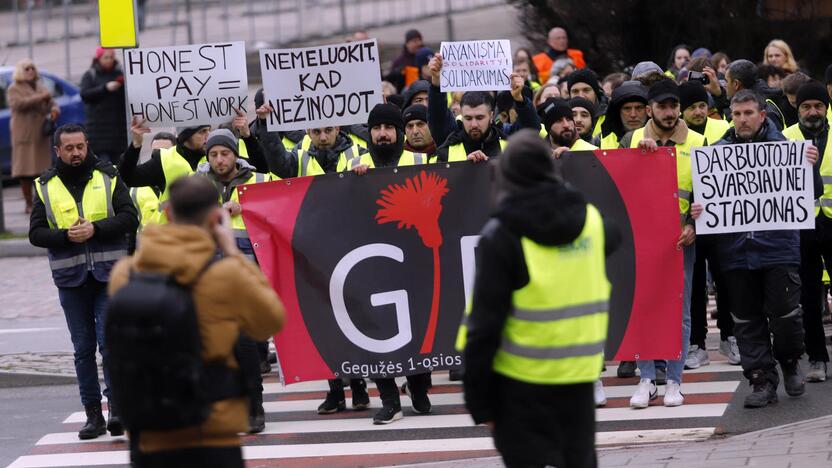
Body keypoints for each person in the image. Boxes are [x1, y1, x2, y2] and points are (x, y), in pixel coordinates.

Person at [460, 129, 619, 467]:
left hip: (520, 387)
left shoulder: (501, 235)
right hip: (578, 381)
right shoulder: (591, 222)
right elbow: (614, 235)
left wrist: (480, 404)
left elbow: (484, 327)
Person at [109, 175, 285, 467]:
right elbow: (270, 321)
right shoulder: (226, 275)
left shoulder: (125, 273)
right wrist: (232, 252)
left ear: (168, 213)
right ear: (217, 217)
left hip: (149, 430)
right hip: (211, 429)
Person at [703, 89, 820, 408]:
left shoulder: (786, 149)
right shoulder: (717, 153)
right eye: (736, 114)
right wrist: (699, 210)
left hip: (778, 249)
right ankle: (761, 379)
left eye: (748, 113)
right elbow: (707, 200)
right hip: (735, 253)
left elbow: (813, 192)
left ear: (761, 115)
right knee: (745, 319)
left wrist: (809, 167)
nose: (741, 120)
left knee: (785, 316)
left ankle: (790, 362)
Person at [29, 124, 138, 439]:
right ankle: (93, 415)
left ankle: (117, 409)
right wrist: (65, 235)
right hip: (71, 279)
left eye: (80, 146)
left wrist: (97, 229)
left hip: (109, 276)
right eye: (70, 148)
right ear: (58, 151)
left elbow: (130, 217)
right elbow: (36, 233)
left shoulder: (108, 175)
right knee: (82, 349)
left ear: (87, 145)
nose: (76, 153)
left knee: (110, 344)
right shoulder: (44, 186)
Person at [342, 104, 434, 424]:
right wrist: (352, 185)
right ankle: (390, 398)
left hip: (414, 262)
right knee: (376, 331)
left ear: (400, 132)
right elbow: (335, 207)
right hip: (372, 264)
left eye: (389, 128)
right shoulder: (353, 164)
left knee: (420, 329)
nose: (382, 134)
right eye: (377, 128)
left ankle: (419, 386)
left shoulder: (419, 160)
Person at [622, 79, 707, 408]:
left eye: (674, 106)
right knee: (643, 307)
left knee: (679, 311)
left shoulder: (698, 143)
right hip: (642, 241)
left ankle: (674, 381)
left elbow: (707, 194)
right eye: (662, 107)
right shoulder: (631, 140)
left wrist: (694, 225)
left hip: (680, 241)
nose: (669, 113)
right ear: (649, 110)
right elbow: (621, 188)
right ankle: (647, 379)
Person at [677, 81, 738, 369]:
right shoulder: (678, 136)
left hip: (719, 220)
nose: (699, 111)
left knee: (725, 281)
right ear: (682, 111)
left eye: (702, 105)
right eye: (692, 107)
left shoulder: (721, 127)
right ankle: (696, 344)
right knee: (694, 286)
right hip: (690, 221)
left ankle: (730, 337)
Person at [120, 110, 269, 215]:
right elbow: (128, 177)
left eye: (208, 130)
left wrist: (248, 136)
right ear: (186, 136)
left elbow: (261, 168)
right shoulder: (164, 159)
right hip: (174, 241)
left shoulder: (216, 157)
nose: (208, 135)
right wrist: (135, 145)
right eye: (202, 132)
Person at [782, 81, 832, 382]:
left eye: (818, 106)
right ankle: (817, 358)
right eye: (806, 107)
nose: (812, 111)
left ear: (826, 108)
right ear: (796, 109)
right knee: (810, 297)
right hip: (802, 226)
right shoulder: (785, 138)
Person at [427, 54, 540, 162]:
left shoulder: (507, 139)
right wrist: (436, 83)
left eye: (480, 117)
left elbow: (531, 129)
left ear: (491, 116)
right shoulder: (449, 140)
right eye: (468, 118)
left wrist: (520, 99)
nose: (474, 124)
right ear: (461, 115)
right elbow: (437, 117)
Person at [8, 58, 59, 213]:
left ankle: (40, 203)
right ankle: (29, 204)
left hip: (40, 134)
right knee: (24, 171)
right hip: (23, 134)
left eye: (32, 68)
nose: (30, 71)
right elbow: (18, 104)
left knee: (41, 170)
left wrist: (56, 109)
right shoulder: (14, 88)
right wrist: (41, 97)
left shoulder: (40, 86)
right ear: (20, 72)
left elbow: (51, 102)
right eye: (27, 69)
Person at [704, 59, 787, 130]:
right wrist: (719, 94)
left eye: (726, 81)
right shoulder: (760, 102)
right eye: (737, 114)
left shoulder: (767, 112)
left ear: (736, 84)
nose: (724, 84)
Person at [80, 47, 127, 165]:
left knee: (120, 167)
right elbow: (85, 95)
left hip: (118, 132)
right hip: (98, 132)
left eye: (111, 57)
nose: (109, 60)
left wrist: (121, 86)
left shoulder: (119, 74)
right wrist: (105, 88)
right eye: (106, 57)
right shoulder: (91, 75)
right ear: (98, 58)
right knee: (103, 167)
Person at [593, 80, 648, 150]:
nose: (633, 115)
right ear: (618, 112)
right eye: (627, 108)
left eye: (639, 108)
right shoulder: (600, 140)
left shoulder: (660, 137)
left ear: (648, 110)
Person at [566, 68, 608, 136]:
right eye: (575, 91)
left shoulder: (610, 115)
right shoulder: (562, 117)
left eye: (586, 90)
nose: (581, 96)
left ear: (595, 93)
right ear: (569, 95)